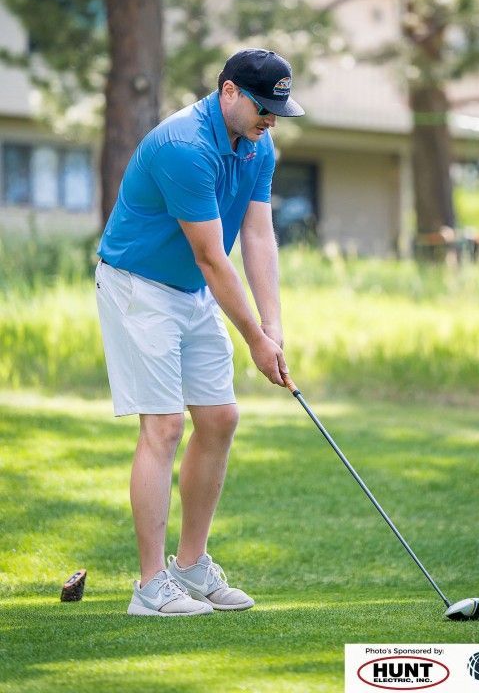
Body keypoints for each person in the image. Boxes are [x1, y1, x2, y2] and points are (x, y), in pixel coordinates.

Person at [95, 48, 305, 616]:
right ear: (229, 92)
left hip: (191, 291)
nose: (272, 120)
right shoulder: (183, 147)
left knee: (219, 418)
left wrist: (273, 326)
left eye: (279, 111)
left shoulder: (259, 145)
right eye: (265, 107)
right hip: (139, 286)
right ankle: (149, 585)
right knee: (162, 427)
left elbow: (258, 236)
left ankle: (190, 567)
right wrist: (255, 343)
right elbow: (214, 258)